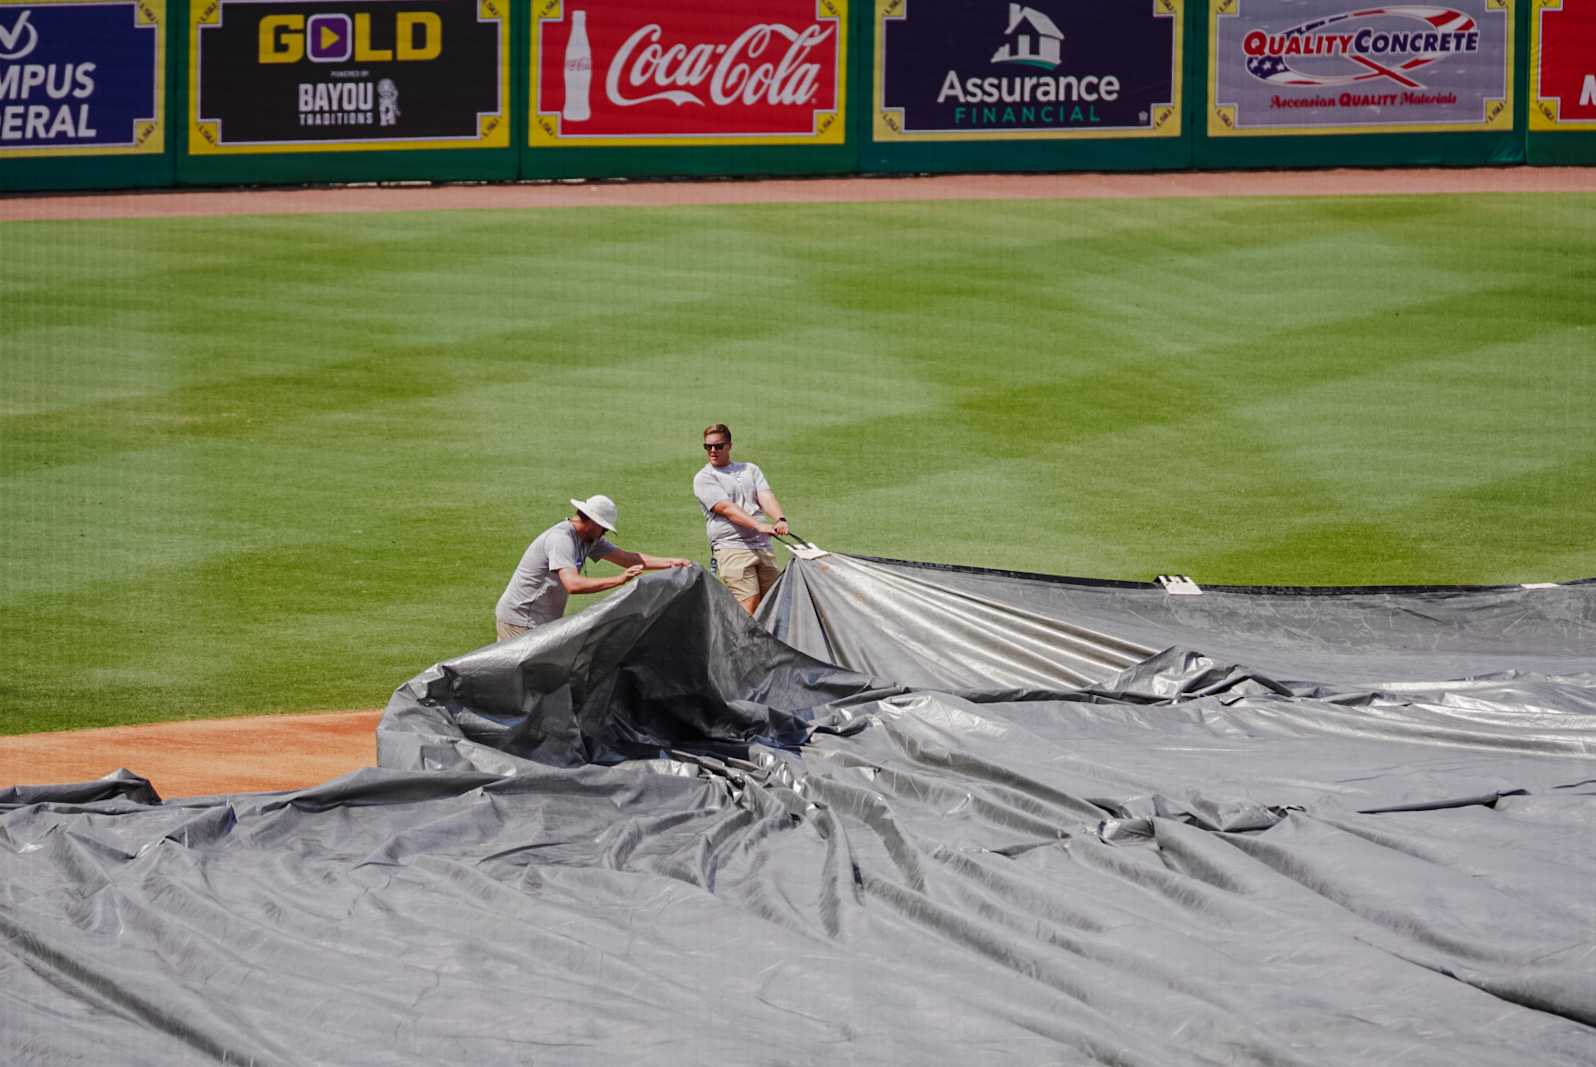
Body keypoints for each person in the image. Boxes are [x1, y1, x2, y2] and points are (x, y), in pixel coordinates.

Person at [493, 494, 691, 640]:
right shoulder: (561, 539)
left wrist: (671, 562)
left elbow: (627, 558)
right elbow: (573, 584)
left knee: (541, 682)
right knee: (524, 684)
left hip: (539, 620)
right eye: (603, 528)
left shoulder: (590, 539)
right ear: (591, 521)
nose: (604, 533)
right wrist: (619, 580)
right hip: (520, 619)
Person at [692, 423, 790, 614]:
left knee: (773, 603)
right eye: (708, 447)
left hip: (761, 547)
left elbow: (765, 495)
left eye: (718, 446)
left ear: (729, 446)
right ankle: (741, 644)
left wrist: (780, 518)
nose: (712, 450)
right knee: (749, 602)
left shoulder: (750, 469)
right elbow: (726, 508)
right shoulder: (704, 477)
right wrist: (758, 526)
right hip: (732, 547)